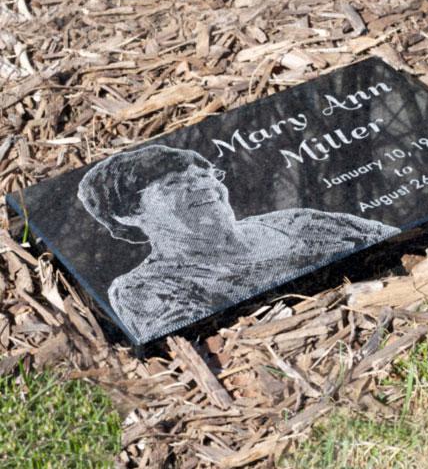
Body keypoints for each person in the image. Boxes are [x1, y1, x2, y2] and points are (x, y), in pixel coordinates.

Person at [78, 145, 400, 343]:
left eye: (205, 177)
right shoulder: (145, 288)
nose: (203, 187)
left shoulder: (297, 222)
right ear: (129, 214)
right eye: (176, 183)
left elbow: (394, 238)